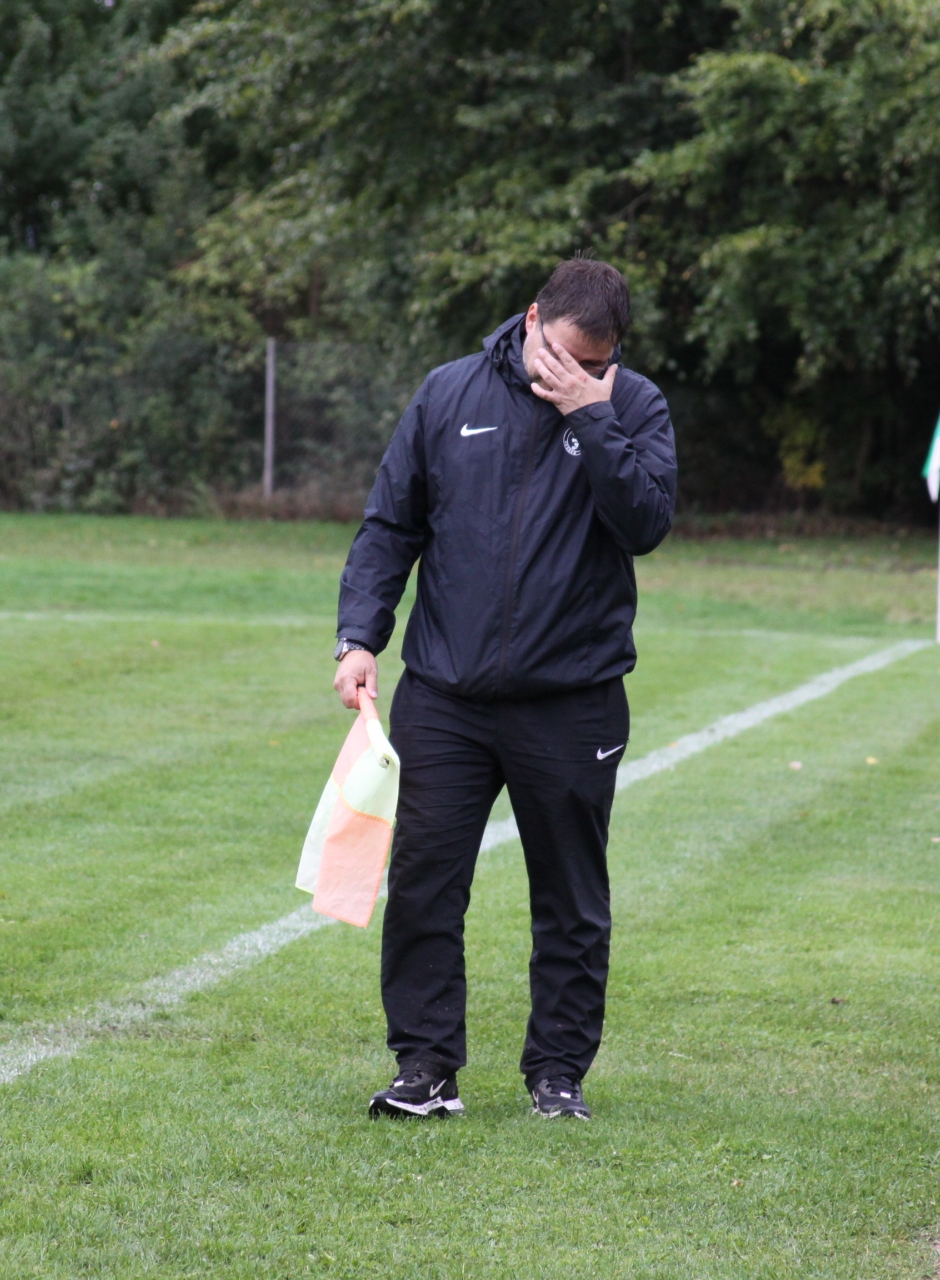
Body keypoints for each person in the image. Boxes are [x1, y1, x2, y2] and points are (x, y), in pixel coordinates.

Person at [331, 258, 676, 1121]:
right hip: (444, 694)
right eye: (563, 354)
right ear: (530, 321)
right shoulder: (448, 393)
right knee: (423, 882)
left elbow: (645, 522)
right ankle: (425, 1068)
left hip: (573, 699)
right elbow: (390, 524)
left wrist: (591, 415)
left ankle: (557, 1075)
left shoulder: (633, 405)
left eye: (595, 363)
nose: (575, 371)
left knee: (570, 898)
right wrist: (360, 636)